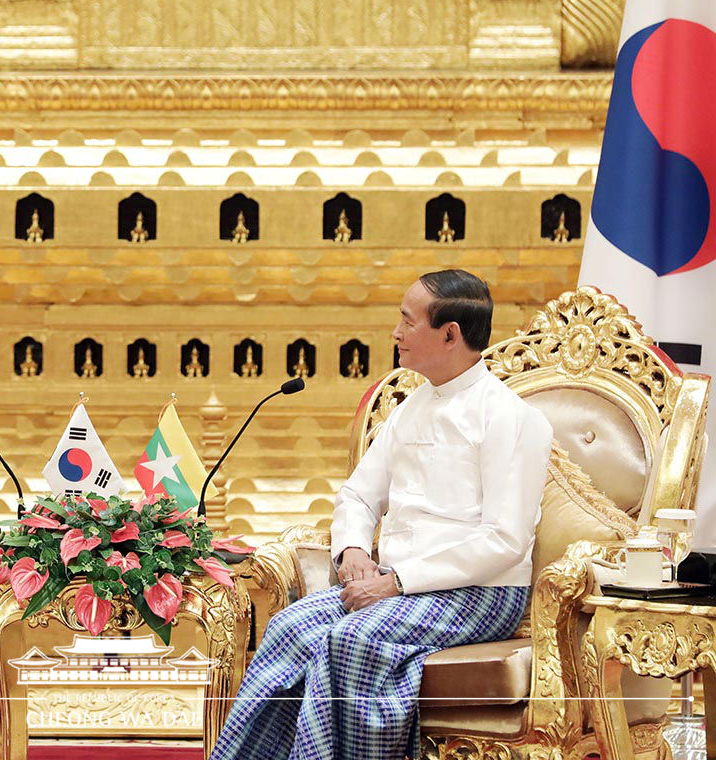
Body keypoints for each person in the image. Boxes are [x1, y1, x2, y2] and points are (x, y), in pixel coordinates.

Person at [210, 269, 553, 760]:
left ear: (450, 334)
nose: (396, 334)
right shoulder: (411, 406)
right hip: (396, 583)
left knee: (354, 638)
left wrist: (396, 582)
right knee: (290, 626)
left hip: (481, 591)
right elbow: (357, 495)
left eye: (407, 322)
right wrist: (352, 551)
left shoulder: (511, 417)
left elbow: (504, 540)